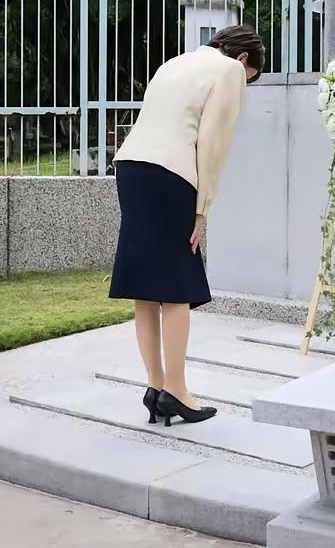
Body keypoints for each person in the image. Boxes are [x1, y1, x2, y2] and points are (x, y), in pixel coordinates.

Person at [109, 25, 263, 426]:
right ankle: (177, 391)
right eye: (251, 81)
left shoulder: (174, 63)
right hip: (171, 174)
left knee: (145, 284)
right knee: (176, 282)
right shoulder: (229, 70)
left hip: (131, 167)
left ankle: (155, 386)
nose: (244, 86)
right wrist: (203, 207)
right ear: (244, 58)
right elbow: (212, 141)